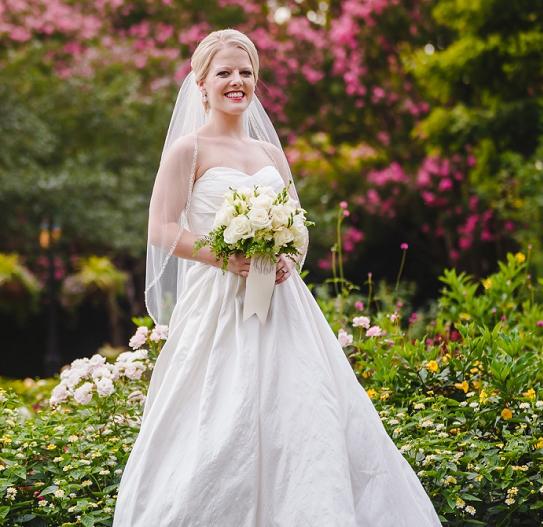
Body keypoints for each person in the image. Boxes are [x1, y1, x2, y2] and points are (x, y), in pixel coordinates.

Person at [112, 29, 440, 526]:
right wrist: (224, 259)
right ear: (201, 83)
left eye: (245, 72)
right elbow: (160, 229)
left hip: (281, 302)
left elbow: (298, 224)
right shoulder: (188, 150)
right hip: (217, 304)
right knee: (222, 419)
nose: (236, 81)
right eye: (224, 72)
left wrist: (287, 256)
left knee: (304, 415)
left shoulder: (268, 154)